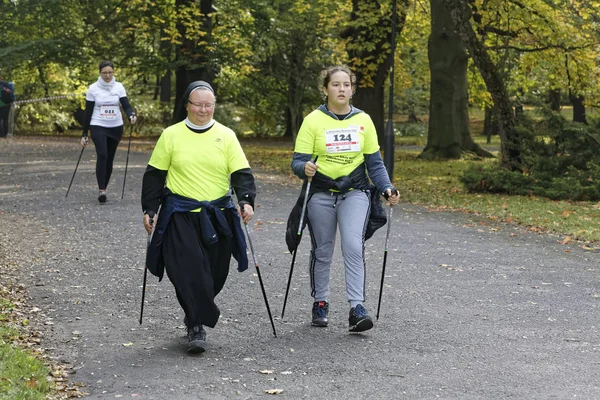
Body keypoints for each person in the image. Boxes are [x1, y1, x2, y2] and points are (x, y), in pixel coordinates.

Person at [141, 80, 256, 354]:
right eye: (198, 104)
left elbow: (241, 173)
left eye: (209, 105)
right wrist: (150, 209)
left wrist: (246, 201)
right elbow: (154, 175)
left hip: (218, 215)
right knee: (188, 271)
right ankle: (195, 324)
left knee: (215, 274)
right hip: (180, 213)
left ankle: (195, 309)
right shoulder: (171, 135)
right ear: (188, 105)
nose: (204, 110)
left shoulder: (226, 135)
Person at [290, 65, 400, 333]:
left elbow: (375, 163)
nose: (342, 89)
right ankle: (320, 302)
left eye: (346, 85)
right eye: (336, 84)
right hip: (321, 193)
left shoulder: (363, 120)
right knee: (323, 249)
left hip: (356, 192)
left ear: (352, 89)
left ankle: (357, 307)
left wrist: (386, 188)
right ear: (325, 89)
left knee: (353, 244)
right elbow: (297, 161)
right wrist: (304, 168)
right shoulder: (313, 120)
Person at [80, 60, 137, 203]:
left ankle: (104, 186)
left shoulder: (119, 87)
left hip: (116, 126)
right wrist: (84, 134)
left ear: (113, 72)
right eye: (104, 73)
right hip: (98, 124)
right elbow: (88, 112)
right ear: (100, 73)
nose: (107, 75)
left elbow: (126, 105)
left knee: (110, 157)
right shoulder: (93, 88)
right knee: (102, 154)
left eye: (110, 72)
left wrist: (131, 115)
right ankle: (101, 190)